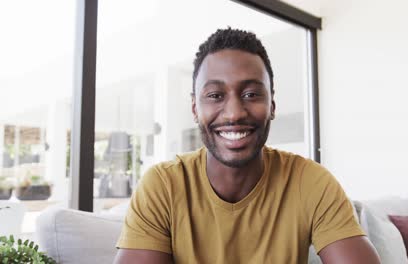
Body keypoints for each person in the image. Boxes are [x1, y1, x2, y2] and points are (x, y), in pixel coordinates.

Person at [113, 28, 380, 264]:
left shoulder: (310, 182)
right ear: (195, 108)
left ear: (272, 105)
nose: (234, 113)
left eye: (251, 94)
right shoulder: (163, 186)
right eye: (215, 95)